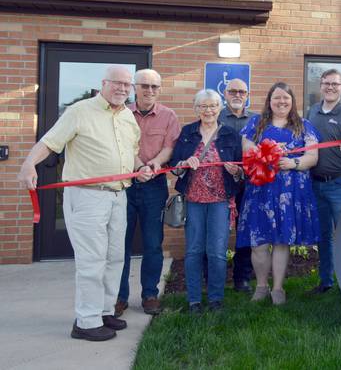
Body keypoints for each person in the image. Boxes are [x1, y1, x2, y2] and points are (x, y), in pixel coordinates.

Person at [18, 65, 153, 341]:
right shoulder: (80, 111)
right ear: (104, 83)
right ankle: (86, 321)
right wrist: (29, 164)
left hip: (119, 195)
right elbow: (50, 142)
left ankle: (104, 311)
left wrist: (141, 168)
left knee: (114, 257)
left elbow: (132, 153)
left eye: (128, 85)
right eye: (118, 83)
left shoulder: (128, 116)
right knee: (92, 259)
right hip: (87, 195)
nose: (123, 89)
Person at [237, 82, 320, 305]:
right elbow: (246, 146)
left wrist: (292, 162)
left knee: (282, 241)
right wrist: (265, 151)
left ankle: (278, 289)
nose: (281, 102)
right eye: (277, 98)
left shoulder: (304, 126)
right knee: (259, 242)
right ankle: (261, 286)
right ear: (269, 101)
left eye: (286, 98)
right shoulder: (256, 122)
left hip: (289, 192)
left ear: (292, 101)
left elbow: (312, 157)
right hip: (260, 191)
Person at [170, 89, 243, 313]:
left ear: (220, 108)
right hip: (193, 200)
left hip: (220, 201)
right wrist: (184, 162)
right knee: (193, 250)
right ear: (196, 109)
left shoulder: (230, 134)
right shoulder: (187, 132)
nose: (208, 110)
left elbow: (241, 172)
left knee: (217, 252)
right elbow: (175, 167)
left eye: (212, 106)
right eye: (203, 106)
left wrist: (235, 171)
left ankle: (215, 299)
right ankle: (194, 300)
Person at [115, 69, 180, 318]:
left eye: (154, 87)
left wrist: (152, 165)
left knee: (153, 244)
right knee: (120, 244)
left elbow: (169, 148)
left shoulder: (168, 116)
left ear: (159, 90)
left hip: (154, 185)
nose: (149, 91)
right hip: (125, 185)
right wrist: (137, 167)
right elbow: (119, 147)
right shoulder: (121, 114)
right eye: (145, 86)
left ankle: (149, 295)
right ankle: (119, 297)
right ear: (135, 87)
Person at [306, 69, 341, 294]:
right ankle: (326, 282)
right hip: (316, 183)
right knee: (323, 236)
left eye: (335, 84)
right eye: (326, 83)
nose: (330, 87)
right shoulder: (312, 112)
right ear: (320, 86)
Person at [218, 78, 257, 293]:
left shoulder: (256, 120)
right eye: (233, 91)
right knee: (217, 232)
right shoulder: (216, 116)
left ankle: (241, 278)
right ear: (225, 94)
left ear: (247, 95)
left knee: (245, 232)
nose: (237, 95)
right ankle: (214, 277)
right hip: (220, 184)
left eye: (242, 92)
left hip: (249, 184)